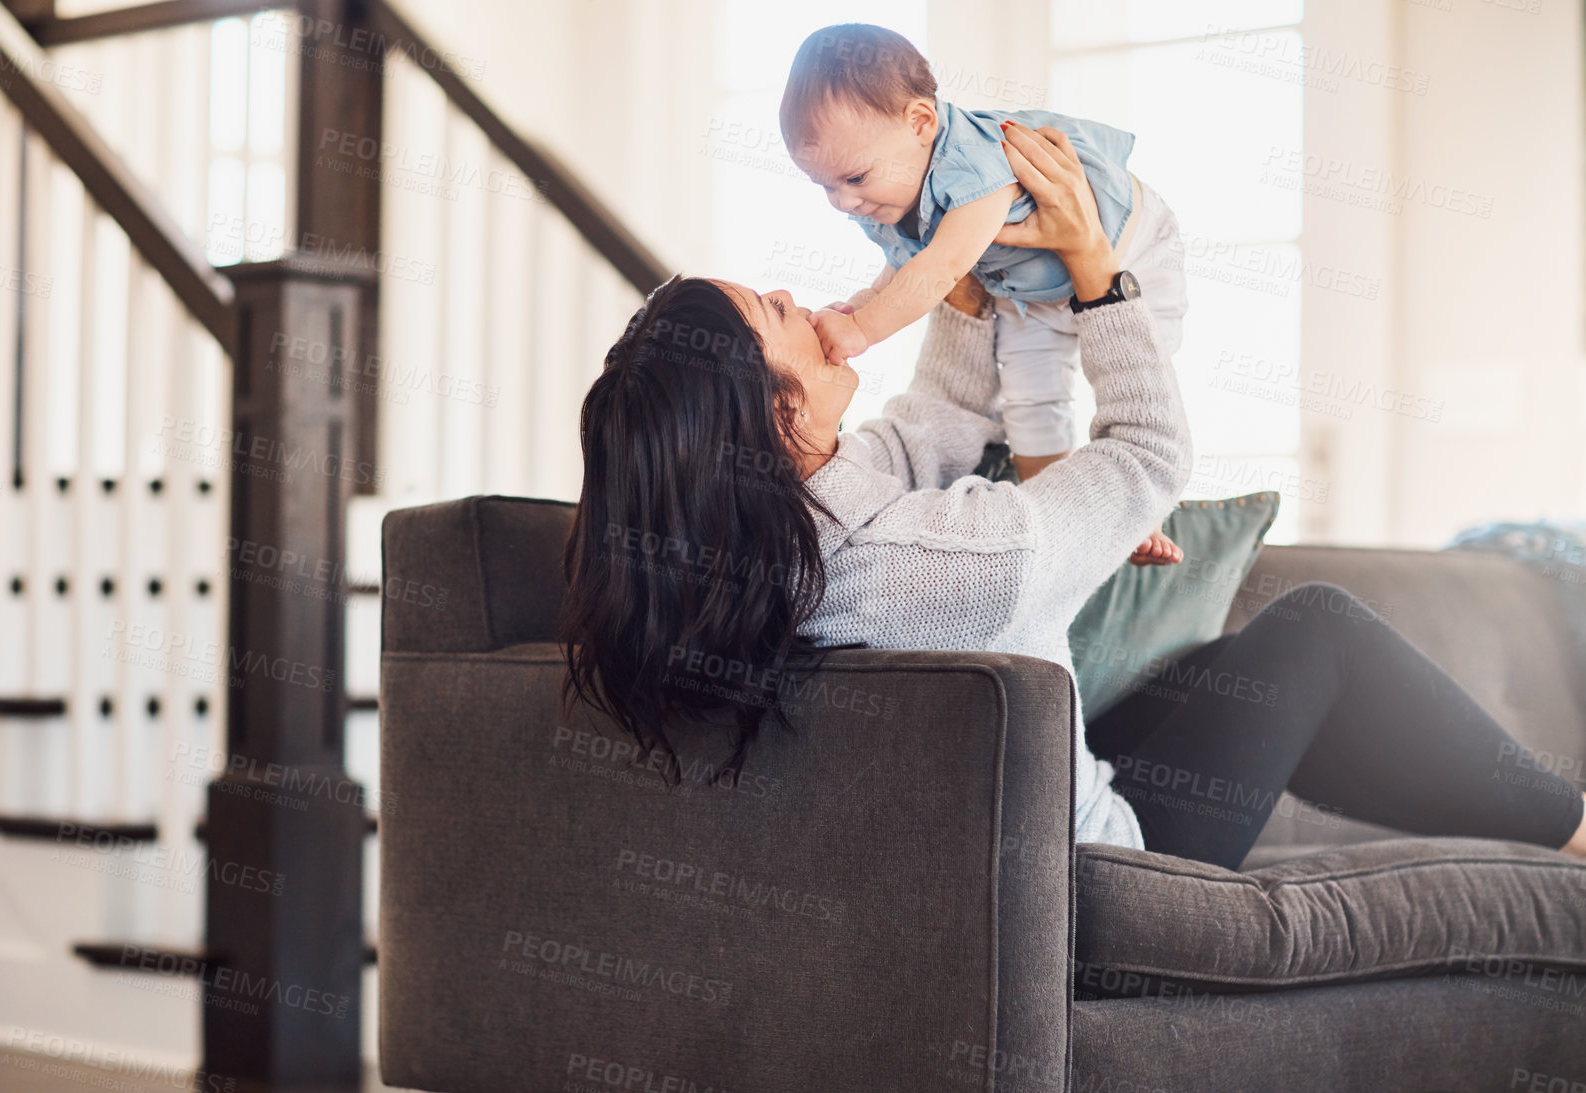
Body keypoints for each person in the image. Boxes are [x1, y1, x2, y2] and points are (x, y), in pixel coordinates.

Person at [560, 120, 1586, 871]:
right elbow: (1144, 456)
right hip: (1108, 868)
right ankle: (1572, 833)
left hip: (1029, 816)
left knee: (1230, 678)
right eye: (774, 312)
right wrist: (1098, 277)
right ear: (778, 415)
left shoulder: (790, 534)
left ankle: (1536, 835)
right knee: (1313, 631)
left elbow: (935, 423)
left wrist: (974, 272)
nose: (800, 296)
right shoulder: (942, 562)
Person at [780, 23, 1185, 564]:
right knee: (1030, 394)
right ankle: (1062, 532)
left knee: (1144, 356)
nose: (841, 202)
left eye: (853, 178)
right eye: (824, 186)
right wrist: (865, 301)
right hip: (1026, 286)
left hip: (1131, 246)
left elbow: (944, 264)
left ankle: (1143, 507)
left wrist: (862, 328)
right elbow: (905, 263)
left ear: (920, 121)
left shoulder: (972, 160)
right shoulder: (889, 192)